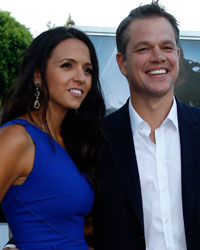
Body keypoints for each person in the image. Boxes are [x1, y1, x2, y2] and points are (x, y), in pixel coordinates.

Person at [94, 1, 200, 250]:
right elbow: (58, 211)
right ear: (122, 63)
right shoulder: (96, 140)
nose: (158, 57)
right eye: (143, 48)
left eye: (166, 47)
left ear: (177, 57)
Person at [0, 26, 105, 250]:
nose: (81, 78)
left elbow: (65, 224)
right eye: (67, 66)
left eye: (88, 70)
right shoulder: (17, 137)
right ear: (37, 75)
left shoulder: (72, 143)